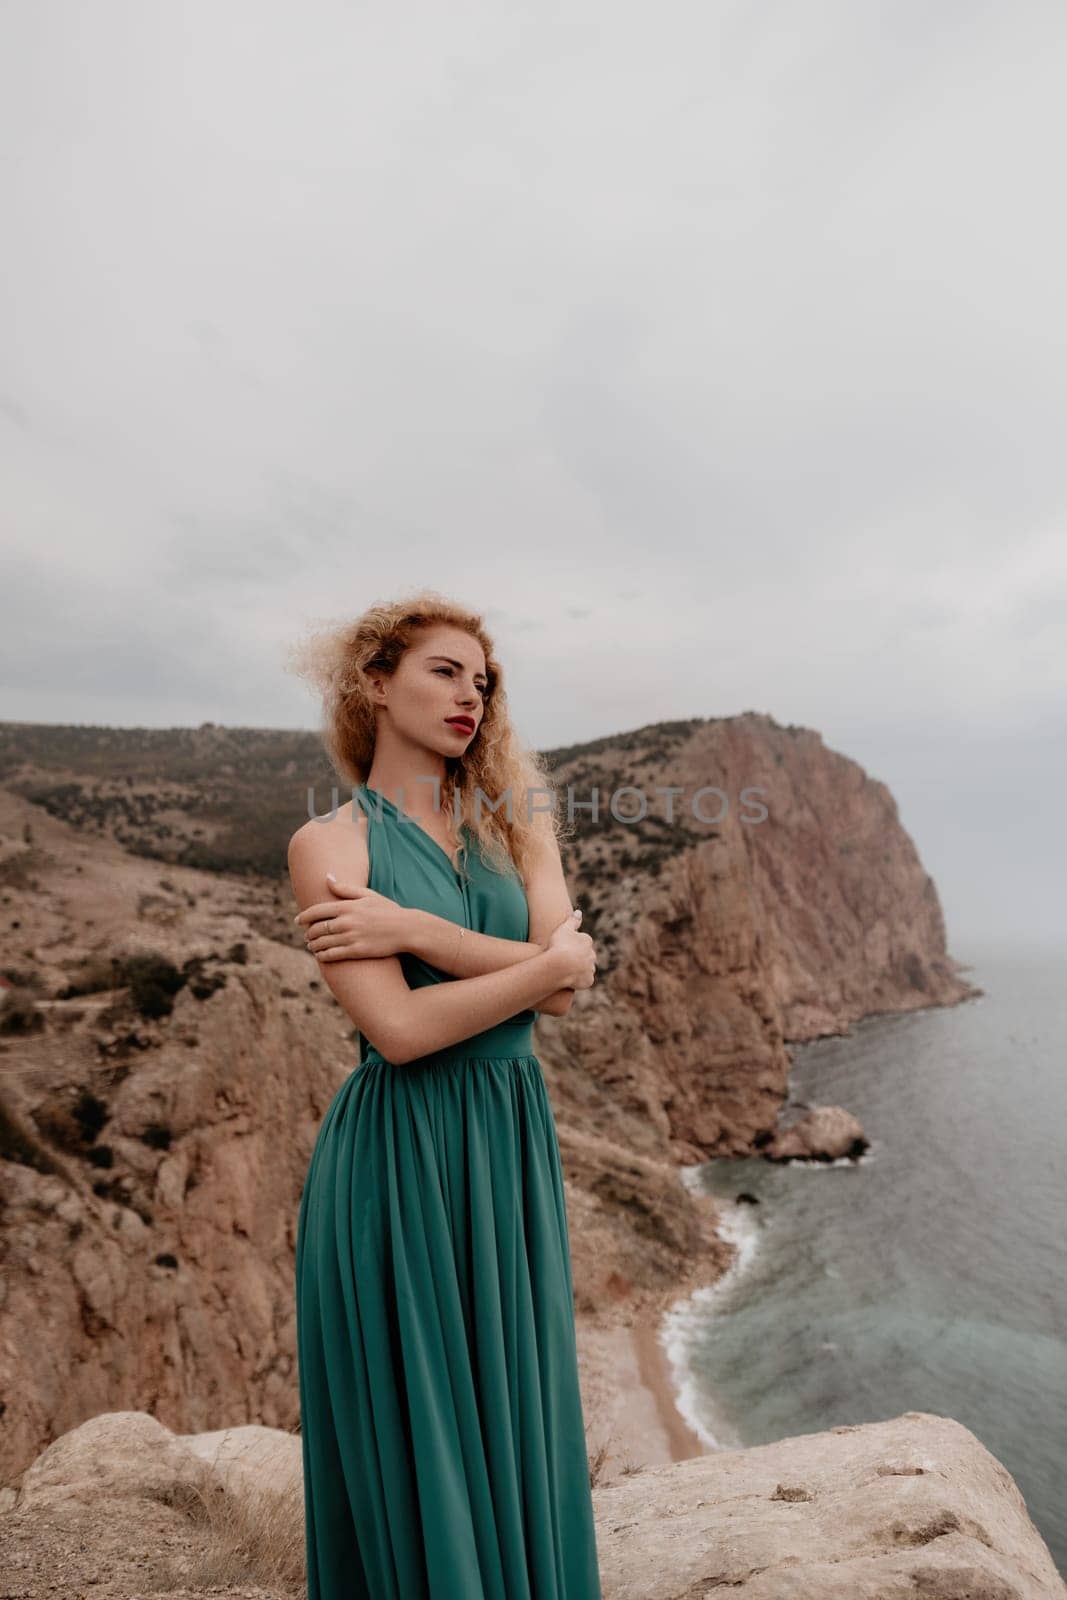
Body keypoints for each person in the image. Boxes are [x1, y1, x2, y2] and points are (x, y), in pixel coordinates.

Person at [285, 591, 603, 1599]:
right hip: (402, 1153)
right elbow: (404, 1030)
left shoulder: (522, 823)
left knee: (513, 1399)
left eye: (482, 679)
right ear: (375, 684)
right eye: (442, 670)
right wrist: (539, 965)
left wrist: (419, 935)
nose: (469, 693)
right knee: (423, 1410)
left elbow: (567, 992)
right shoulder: (328, 846)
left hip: (507, 1136)